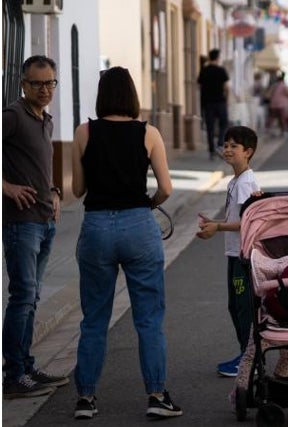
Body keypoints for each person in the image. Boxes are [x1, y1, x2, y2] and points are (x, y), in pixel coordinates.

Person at [70, 66, 182, 419]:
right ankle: (157, 394)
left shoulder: (84, 131)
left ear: (102, 95)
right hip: (138, 224)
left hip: (97, 226)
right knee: (148, 317)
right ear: (132, 94)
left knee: (94, 317)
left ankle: (86, 399)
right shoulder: (149, 133)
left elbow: (77, 190)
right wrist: (147, 205)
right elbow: (165, 188)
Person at [2, 55, 70, 399]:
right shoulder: (12, 115)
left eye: (50, 83)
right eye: (37, 83)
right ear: (23, 84)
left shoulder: (46, 119)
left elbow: (41, 165)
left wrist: (55, 191)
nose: (45, 90)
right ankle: (12, 376)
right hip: (20, 224)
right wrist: (7, 187)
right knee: (22, 297)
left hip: (44, 222)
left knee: (32, 298)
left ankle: (27, 367)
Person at [196, 126, 260, 377]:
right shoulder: (236, 180)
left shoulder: (246, 183)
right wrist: (213, 223)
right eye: (226, 144)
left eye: (235, 146)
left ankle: (249, 358)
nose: (228, 149)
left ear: (248, 152)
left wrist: (218, 227)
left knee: (243, 307)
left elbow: (249, 222)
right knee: (235, 306)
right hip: (235, 253)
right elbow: (236, 215)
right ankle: (246, 353)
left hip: (243, 255)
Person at [197, 48, 230, 160]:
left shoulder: (204, 70)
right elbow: (226, 87)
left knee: (210, 127)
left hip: (207, 102)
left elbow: (200, 85)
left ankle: (211, 151)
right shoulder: (221, 70)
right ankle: (220, 144)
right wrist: (227, 100)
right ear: (218, 58)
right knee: (224, 123)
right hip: (220, 101)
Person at [266, 71, 288, 138]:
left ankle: (268, 129)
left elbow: (268, 94)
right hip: (282, 105)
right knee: (282, 119)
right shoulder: (284, 85)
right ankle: (283, 132)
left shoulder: (274, 85)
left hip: (273, 104)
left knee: (272, 117)